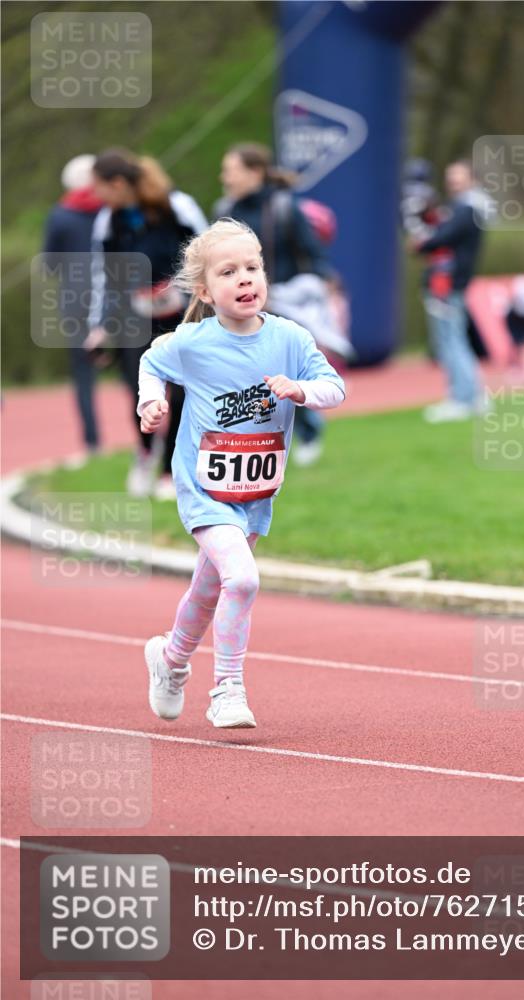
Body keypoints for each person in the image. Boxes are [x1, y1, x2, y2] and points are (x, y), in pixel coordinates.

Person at [137, 218, 345, 728]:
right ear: (206, 291)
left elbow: (335, 388)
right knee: (244, 579)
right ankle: (227, 689)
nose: (245, 278)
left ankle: (170, 661)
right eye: (229, 272)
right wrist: (151, 401)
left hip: (254, 491)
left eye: (252, 267)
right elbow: (152, 362)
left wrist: (301, 391)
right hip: (204, 489)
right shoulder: (193, 342)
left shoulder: (290, 338)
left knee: (210, 589)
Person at [87, 148, 208, 498]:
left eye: (99, 187)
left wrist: (198, 301)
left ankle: (170, 469)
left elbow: (207, 254)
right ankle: (144, 452)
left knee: (182, 394)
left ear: (117, 183)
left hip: (180, 315)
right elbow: (102, 275)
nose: (96, 195)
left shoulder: (177, 205)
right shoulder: (108, 220)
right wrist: (98, 326)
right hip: (133, 319)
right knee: (141, 392)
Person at [215, 142, 335, 465]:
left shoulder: (283, 206)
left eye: (231, 170)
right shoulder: (224, 210)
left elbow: (312, 252)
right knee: (247, 375)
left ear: (254, 172)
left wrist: (322, 282)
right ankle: (258, 439)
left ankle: (308, 432)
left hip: (283, 305)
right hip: (240, 307)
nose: (224, 177)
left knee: (283, 373)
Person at [411, 159, 492, 422]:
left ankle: (461, 398)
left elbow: (443, 237)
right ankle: (473, 396)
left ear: (472, 179)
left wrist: (421, 243)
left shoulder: (466, 209)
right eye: (450, 176)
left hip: (447, 284)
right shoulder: (467, 208)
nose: (453, 181)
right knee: (456, 340)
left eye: (458, 176)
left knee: (450, 341)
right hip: (452, 283)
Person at [43, 155, 105, 463]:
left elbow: (50, 264)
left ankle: (93, 444)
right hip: (116, 299)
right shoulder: (111, 210)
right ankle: (147, 441)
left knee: (83, 375)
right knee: (137, 368)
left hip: (76, 301)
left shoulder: (59, 215)